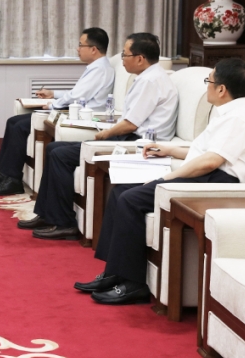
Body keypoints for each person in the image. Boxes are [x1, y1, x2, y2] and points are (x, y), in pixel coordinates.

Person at [77, 58, 245, 304]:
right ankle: (114, 272)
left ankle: (133, 284)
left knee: (131, 199)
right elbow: (205, 153)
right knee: (120, 190)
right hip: (208, 174)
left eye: (209, 81)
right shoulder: (230, 112)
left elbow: (210, 162)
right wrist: (168, 150)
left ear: (221, 89)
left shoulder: (240, 118)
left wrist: (166, 178)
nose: (207, 86)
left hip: (218, 182)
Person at [23, 32, 179, 241]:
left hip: (138, 143)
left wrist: (106, 133)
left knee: (60, 155)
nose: (122, 60)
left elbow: (130, 124)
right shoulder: (148, 77)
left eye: (125, 55)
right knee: (54, 149)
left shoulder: (150, 81)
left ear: (140, 58)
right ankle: (47, 214)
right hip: (130, 137)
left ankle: (64, 223)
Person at [0, 27, 115, 196]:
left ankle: (13, 179)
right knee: (13, 121)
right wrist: (53, 94)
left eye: (81, 45)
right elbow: (77, 93)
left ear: (93, 49)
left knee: (20, 126)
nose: (77, 49)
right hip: (73, 111)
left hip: (81, 117)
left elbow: (77, 96)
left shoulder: (100, 70)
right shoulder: (96, 67)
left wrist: (52, 105)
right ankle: (3, 173)